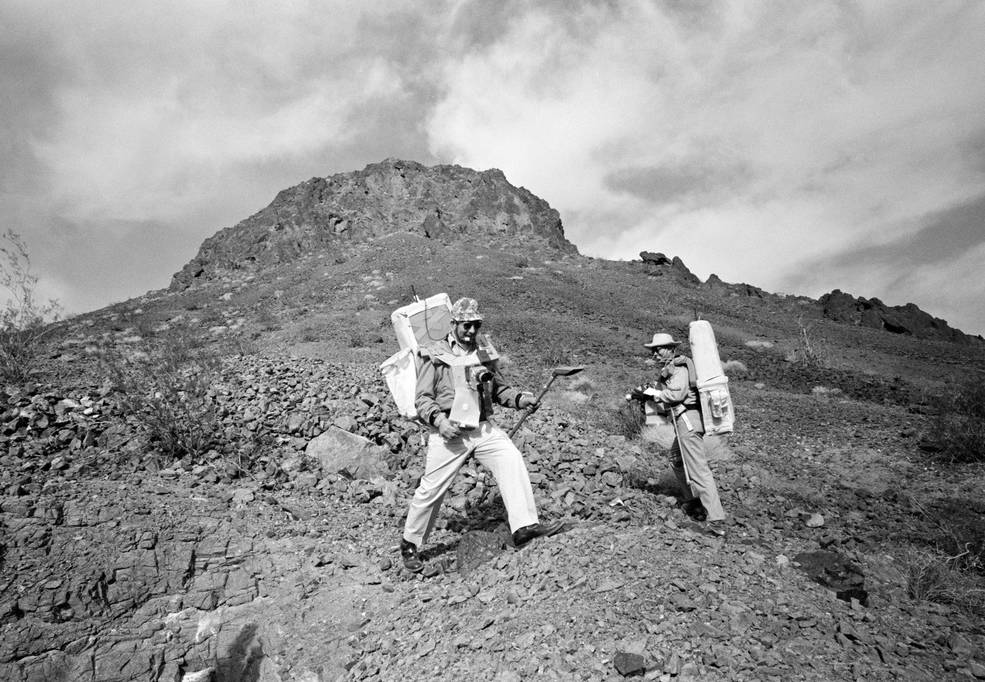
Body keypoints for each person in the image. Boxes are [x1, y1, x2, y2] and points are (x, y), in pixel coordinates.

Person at [400, 297, 566, 572]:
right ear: (454, 324)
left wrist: (520, 399)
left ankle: (524, 527)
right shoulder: (435, 353)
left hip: (482, 426)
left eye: (476, 325)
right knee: (432, 489)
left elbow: (499, 390)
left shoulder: (484, 352)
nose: (471, 331)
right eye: (466, 325)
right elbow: (423, 398)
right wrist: (440, 422)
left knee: (511, 459)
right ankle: (410, 544)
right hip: (449, 431)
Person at [633, 332, 727, 537]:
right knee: (676, 459)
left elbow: (676, 394)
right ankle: (693, 501)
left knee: (698, 470)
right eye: (653, 351)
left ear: (670, 348)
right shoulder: (671, 369)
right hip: (684, 423)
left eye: (658, 349)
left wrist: (652, 393)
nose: (655, 354)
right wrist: (644, 395)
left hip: (688, 423)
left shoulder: (680, 368)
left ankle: (716, 520)